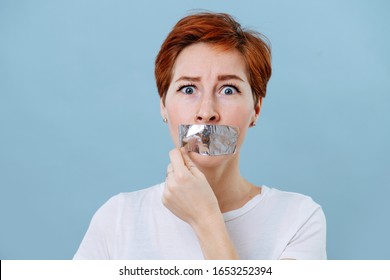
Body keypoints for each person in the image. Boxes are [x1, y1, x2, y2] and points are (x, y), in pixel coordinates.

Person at [73, 12, 326, 260]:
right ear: (163, 105)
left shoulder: (298, 219)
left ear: (255, 109)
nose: (206, 113)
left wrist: (206, 219)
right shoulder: (117, 219)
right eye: (188, 88)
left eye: (228, 89)